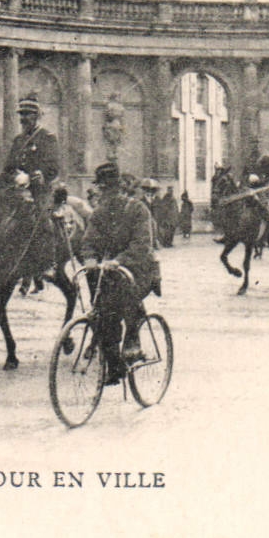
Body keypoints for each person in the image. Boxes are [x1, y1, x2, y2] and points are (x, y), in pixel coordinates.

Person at [81, 161, 159, 387]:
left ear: (119, 189)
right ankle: (114, 366)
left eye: (110, 189)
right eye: (103, 190)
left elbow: (142, 245)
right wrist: (89, 258)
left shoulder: (137, 210)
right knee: (102, 314)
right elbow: (88, 241)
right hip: (110, 273)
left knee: (124, 297)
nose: (106, 195)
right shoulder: (99, 214)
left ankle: (133, 339)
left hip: (138, 270)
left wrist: (118, 261)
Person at [3, 98, 61, 201]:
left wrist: (29, 178)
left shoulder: (47, 138)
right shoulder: (18, 140)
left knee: (40, 214)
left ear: (36, 116)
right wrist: (15, 177)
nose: (23, 118)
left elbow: (52, 168)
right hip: (16, 190)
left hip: (39, 192)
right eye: (21, 114)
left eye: (27, 114)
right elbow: (8, 167)